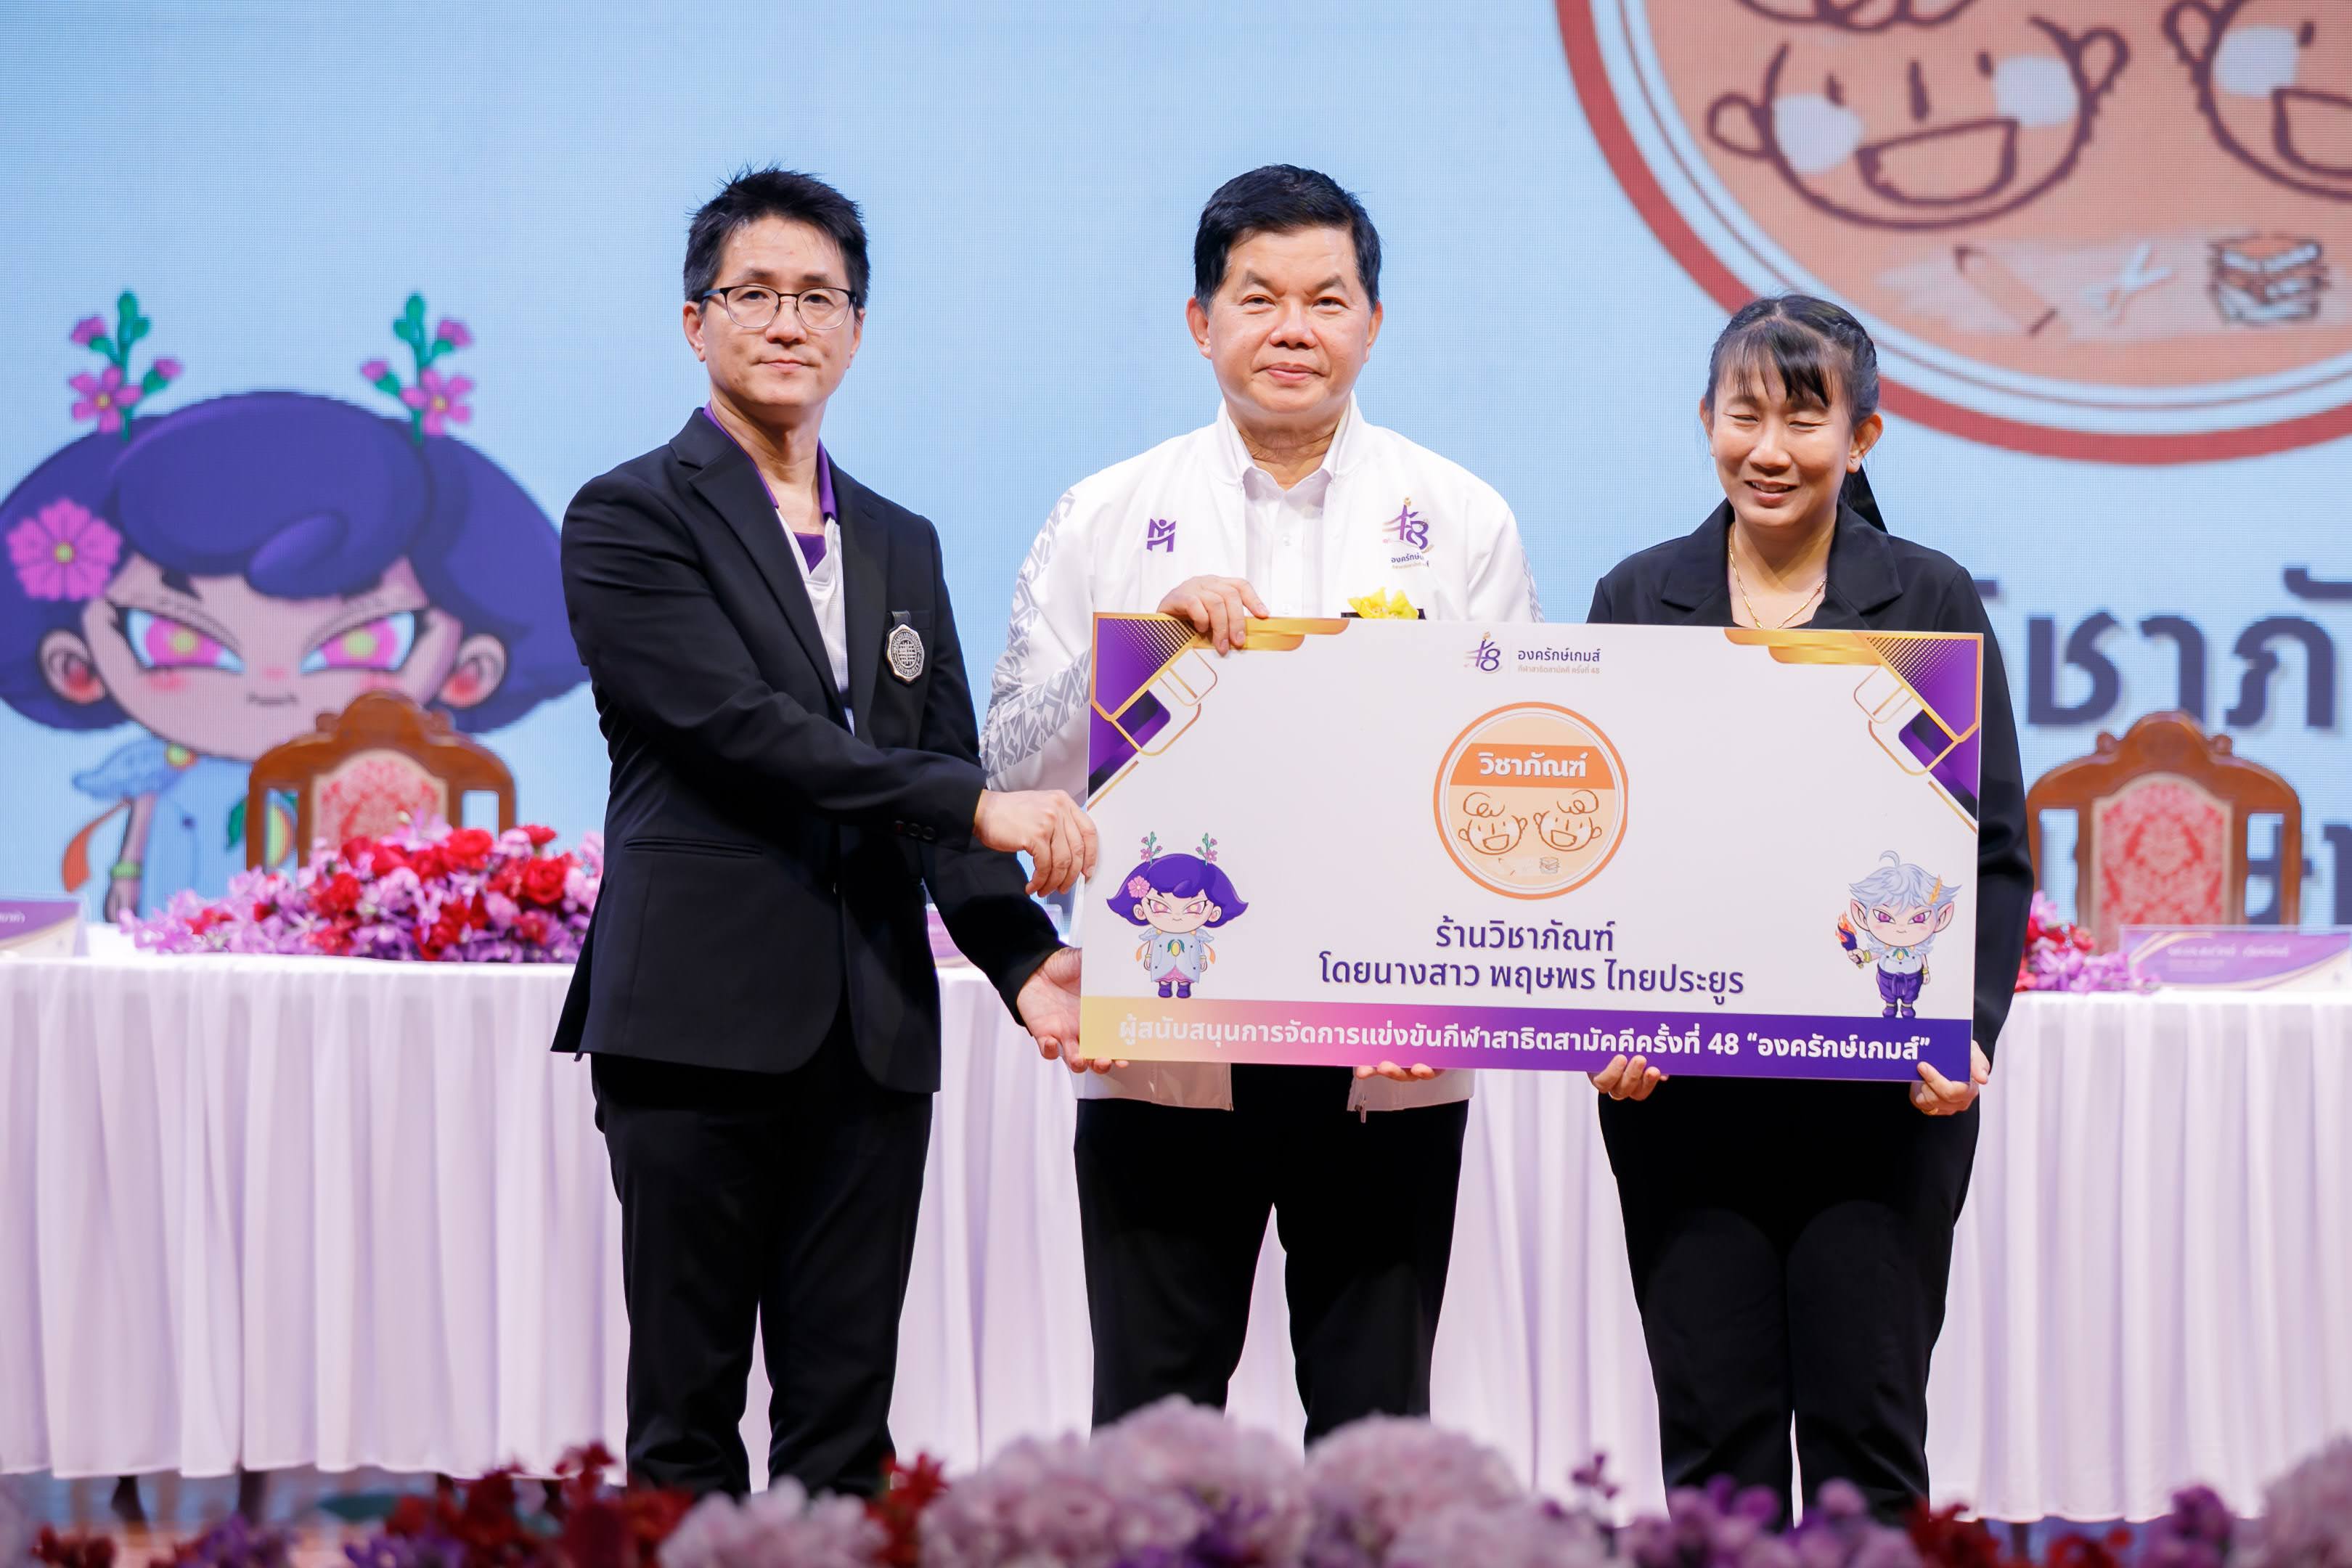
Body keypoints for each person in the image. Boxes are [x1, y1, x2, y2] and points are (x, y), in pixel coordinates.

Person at [553, 166, 1097, 1498]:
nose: (788, 322)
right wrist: (970, 803)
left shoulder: (902, 542)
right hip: (694, 1023)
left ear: (856, 327)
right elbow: (740, 730)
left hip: (871, 1032)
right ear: (696, 321)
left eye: (820, 296)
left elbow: (939, 767)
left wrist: (1025, 960)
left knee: (845, 1431)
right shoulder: (629, 515)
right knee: (686, 1423)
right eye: (755, 294)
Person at [981, 164, 1542, 1441]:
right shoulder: (1105, 514)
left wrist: (1459, 993)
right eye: (1258, 298)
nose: (1294, 329)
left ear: (1373, 324)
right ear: (1201, 321)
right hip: (1161, 1048)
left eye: (1326, 300)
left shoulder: (1462, 521)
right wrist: (1135, 650)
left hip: (1391, 1054)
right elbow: (1006, 768)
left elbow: (1507, 779)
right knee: (1154, 1435)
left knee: (1376, 1440)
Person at [1583, 294, 2032, 1522]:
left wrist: (1967, 1027)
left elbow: (1992, 851)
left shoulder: (1929, 599)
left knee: (1866, 1451)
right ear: (1705, 422)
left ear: (1863, 437)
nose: (1769, 449)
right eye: (1745, 416)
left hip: (1880, 1109)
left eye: (1804, 419)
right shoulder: (1639, 599)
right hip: (1683, 1101)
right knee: (1713, 1454)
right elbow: (1599, 842)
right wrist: (1597, 1019)